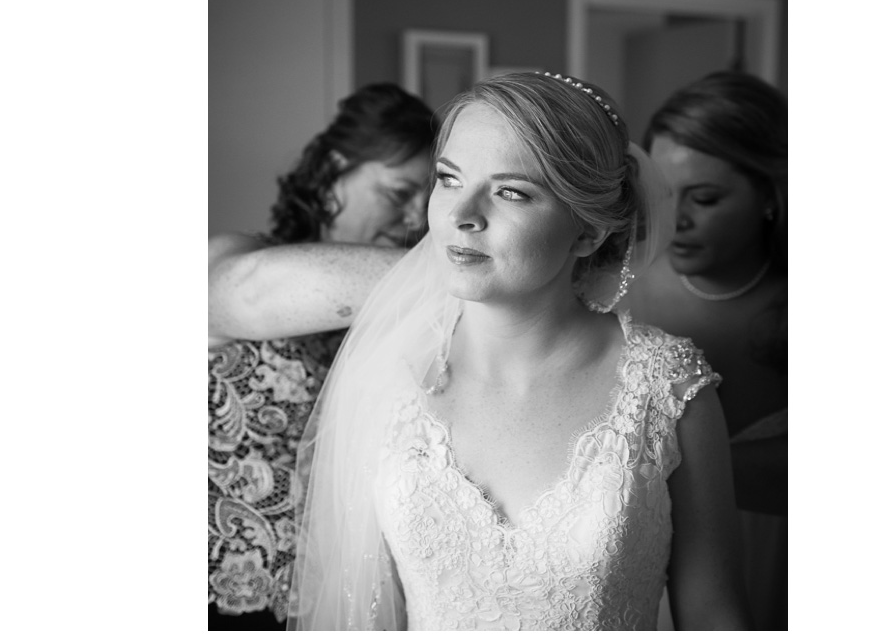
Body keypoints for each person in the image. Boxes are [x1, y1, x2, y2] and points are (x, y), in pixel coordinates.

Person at [288, 72, 751, 631]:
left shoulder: (671, 388)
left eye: (510, 191)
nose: (461, 215)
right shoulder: (389, 375)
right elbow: (361, 608)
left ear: (587, 231)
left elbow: (716, 615)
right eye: (449, 178)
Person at [207, 83, 436, 631]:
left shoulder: (418, 318)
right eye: (398, 191)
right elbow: (250, 291)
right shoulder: (238, 257)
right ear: (335, 169)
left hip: (345, 604)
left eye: (426, 198)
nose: (414, 217)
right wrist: (484, 271)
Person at [624, 70, 787, 629]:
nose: (679, 220)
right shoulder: (618, 289)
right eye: (667, 196)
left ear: (771, 194)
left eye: (707, 198)